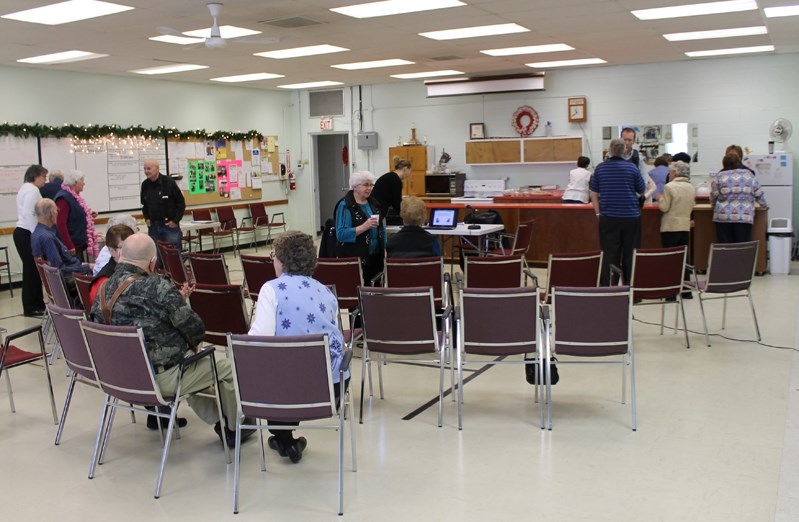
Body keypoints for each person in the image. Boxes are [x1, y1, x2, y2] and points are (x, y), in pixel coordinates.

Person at [89, 233, 252, 447]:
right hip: (160, 379)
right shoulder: (158, 287)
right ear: (153, 262)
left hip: (120, 377)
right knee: (226, 369)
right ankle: (233, 427)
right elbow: (196, 330)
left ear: (121, 256)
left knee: (190, 362)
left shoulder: (102, 290)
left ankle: (219, 420)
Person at [249, 231, 350, 464]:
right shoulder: (326, 292)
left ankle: (283, 437)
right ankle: (285, 440)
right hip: (329, 388)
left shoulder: (271, 289)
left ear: (282, 261)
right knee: (293, 366)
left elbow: (258, 341)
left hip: (288, 391)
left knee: (275, 366)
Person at [589, 139, 646, 286]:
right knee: (630, 254)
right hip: (631, 217)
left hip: (608, 217)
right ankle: (630, 288)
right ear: (624, 151)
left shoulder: (600, 169)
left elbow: (593, 193)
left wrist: (597, 213)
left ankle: (609, 288)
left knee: (609, 254)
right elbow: (641, 190)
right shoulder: (632, 168)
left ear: (610, 150)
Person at [31, 199, 91, 304]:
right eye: (56, 210)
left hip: (58, 281)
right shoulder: (48, 238)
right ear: (50, 213)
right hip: (67, 281)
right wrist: (86, 267)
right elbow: (59, 270)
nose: (57, 213)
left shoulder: (37, 233)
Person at [334, 170, 385, 285]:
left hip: (375, 256)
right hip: (355, 257)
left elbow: (381, 228)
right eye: (366, 185)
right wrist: (364, 226)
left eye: (371, 185)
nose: (370, 188)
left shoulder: (374, 203)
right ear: (355, 187)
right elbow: (341, 234)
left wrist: (385, 247)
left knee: (375, 288)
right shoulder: (345, 205)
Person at [13, 165, 48, 317]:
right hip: (27, 232)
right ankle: (31, 306)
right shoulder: (33, 190)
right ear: (36, 176)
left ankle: (36, 304)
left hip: (22, 232)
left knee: (32, 270)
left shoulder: (25, 188)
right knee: (32, 270)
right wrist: (37, 234)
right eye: (44, 177)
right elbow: (29, 213)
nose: (45, 181)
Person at [657, 160, 695, 298]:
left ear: (675, 172)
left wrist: (660, 198)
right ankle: (686, 291)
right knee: (684, 259)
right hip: (684, 226)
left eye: (670, 171)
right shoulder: (691, 187)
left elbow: (664, 207)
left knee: (670, 260)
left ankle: (670, 292)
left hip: (670, 227)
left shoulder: (669, 187)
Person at [711, 153, 768, 243]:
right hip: (743, 216)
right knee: (742, 247)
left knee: (725, 247)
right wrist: (764, 204)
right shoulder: (749, 174)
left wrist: (713, 204)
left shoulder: (720, 176)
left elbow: (714, 195)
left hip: (723, 217)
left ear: (724, 164)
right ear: (739, 163)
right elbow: (758, 193)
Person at [141, 159, 185, 256]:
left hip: (169, 226)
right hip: (153, 227)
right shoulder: (145, 185)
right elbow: (144, 205)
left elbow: (181, 203)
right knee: (156, 256)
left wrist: (176, 221)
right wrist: (147, 218)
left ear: (157, 168)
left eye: (149, 168)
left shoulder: (169, 182)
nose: (146, 171)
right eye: (144, 169)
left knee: (173, 256)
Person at [54, 170, 100, 262]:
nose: (84, 183)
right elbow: (61, 224)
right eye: (82, 180)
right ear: (75, 182)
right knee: (75, 272)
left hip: (78, 244)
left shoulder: (73, 197)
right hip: (71, 245)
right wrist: (69, 245)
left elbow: (74, 215)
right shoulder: (63, 198)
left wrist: (88, 215)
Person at [88, 224, 135, 306]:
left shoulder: (136, 269)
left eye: (134, 246)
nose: (131, 250)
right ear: (112, 251)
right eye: (124, 247)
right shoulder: (104, 281)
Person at [372, 156, 411, 225]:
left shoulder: (390, 176)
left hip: (374, 207)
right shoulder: (396, 180)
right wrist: (405, 218)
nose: (409, 174)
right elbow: (397, 202)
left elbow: (393, 199)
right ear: (405, 169)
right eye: (410, 171)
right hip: (378, 209)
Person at [620, 127, 656, 199]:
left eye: (629, 140)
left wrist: (637, 196)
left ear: (634, 141)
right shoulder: (612, 155)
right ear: (620, 139)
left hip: (633, 196)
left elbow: (644, 180)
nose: (627, 143)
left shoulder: (638, 157)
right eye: (625, 140)